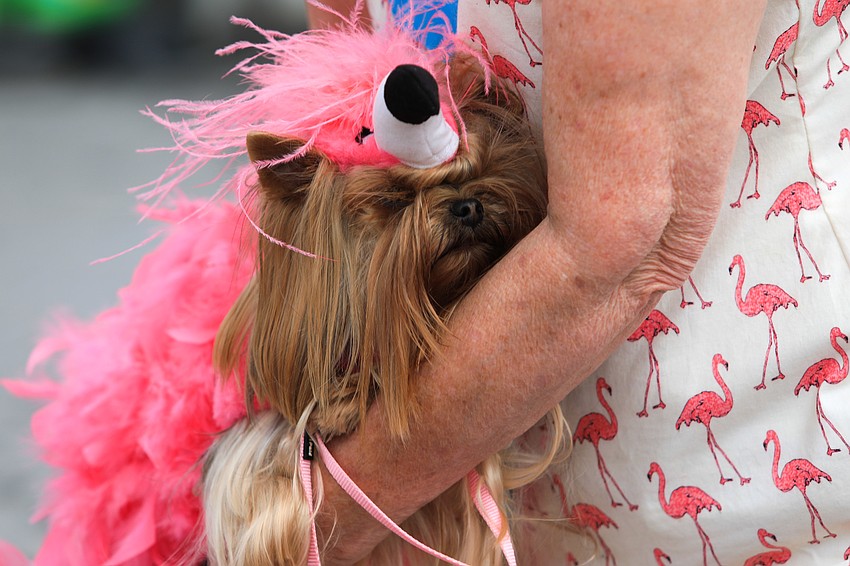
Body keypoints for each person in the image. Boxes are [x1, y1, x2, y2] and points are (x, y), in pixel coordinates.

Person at [307, 0, 850, 563]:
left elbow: (620, 243)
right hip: (532, 503)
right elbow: (338, 132)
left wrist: (316, 516)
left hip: (757, 488)